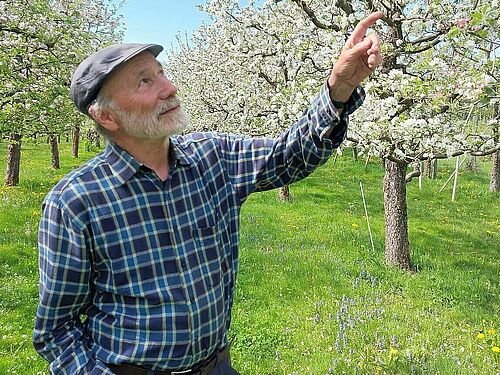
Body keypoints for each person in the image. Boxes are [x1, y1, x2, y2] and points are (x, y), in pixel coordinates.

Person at [33, 12, 383, 375]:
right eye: (144, 82)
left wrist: (338, 89)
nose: (169, 88)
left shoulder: (213, 156)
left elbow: (289, 156)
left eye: (161, 72)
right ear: (106, 116)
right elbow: (56, 330)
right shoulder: (76, 202)